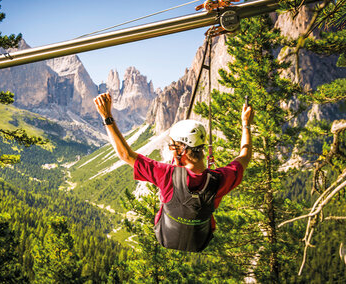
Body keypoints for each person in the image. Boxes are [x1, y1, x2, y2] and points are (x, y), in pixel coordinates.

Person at [93, 92, 253, 252]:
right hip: (200, 241)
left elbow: (126, 155)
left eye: (172, 146)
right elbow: (244, 157)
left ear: (182, 150)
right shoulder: (220, 179)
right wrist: (246, 125)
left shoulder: (167, 175)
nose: (171, 150)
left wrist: (107, 117)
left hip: (165, 236)